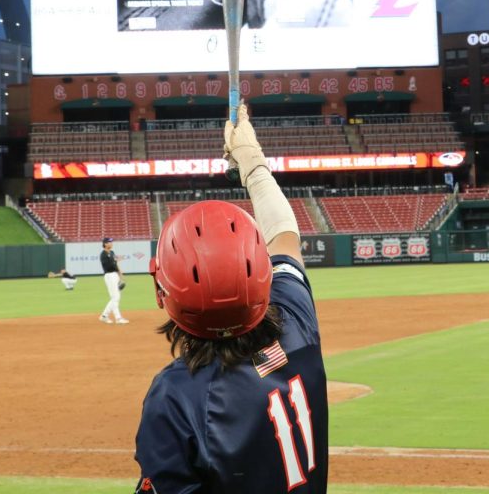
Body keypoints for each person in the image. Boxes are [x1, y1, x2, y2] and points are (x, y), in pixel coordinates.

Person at [133, 104, 328, 493]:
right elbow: (284, 234)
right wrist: (251, 160)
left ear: (163, 294)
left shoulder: (175, 393)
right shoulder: (295, 324)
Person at [99, 237, 128, 324]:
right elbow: (110, 266)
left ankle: (104, 316)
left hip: (115, 275)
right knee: (115, 297)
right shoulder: (103, 254)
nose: (111, 243)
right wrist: (115, 261)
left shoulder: (112, 252)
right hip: (109, 275)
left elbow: (115, 263)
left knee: (115, 297)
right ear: (105, 244)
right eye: (109, 242)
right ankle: (118, 318)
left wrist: (120, 273)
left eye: (111, 242)